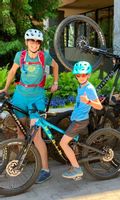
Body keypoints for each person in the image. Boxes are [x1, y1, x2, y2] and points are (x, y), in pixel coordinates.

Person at [0, 28, 59, 183]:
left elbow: (56, 66)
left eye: (37, 41)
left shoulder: (43, 56)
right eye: (31, 41)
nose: (34, 44)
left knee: (36, 135)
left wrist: (55, 82)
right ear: (27, 42)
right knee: (20, 132)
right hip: (19, 96)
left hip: (36, 98)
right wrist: (6, 88)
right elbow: (12, 72)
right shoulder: (21, 56)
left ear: (40, 44)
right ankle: (22, 160)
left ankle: (45, 170)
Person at [60, 61, 103, 179]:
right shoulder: (81, 86)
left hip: (80, 121)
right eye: (78, 75)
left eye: (83, 75)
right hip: (76, 119)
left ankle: (77, 169)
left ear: (88, 75)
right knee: (71, 142)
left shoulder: (89, 88)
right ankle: (74, 163)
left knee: (63, 143)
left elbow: (99, 106)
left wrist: (88, 101)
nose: (80, 77)